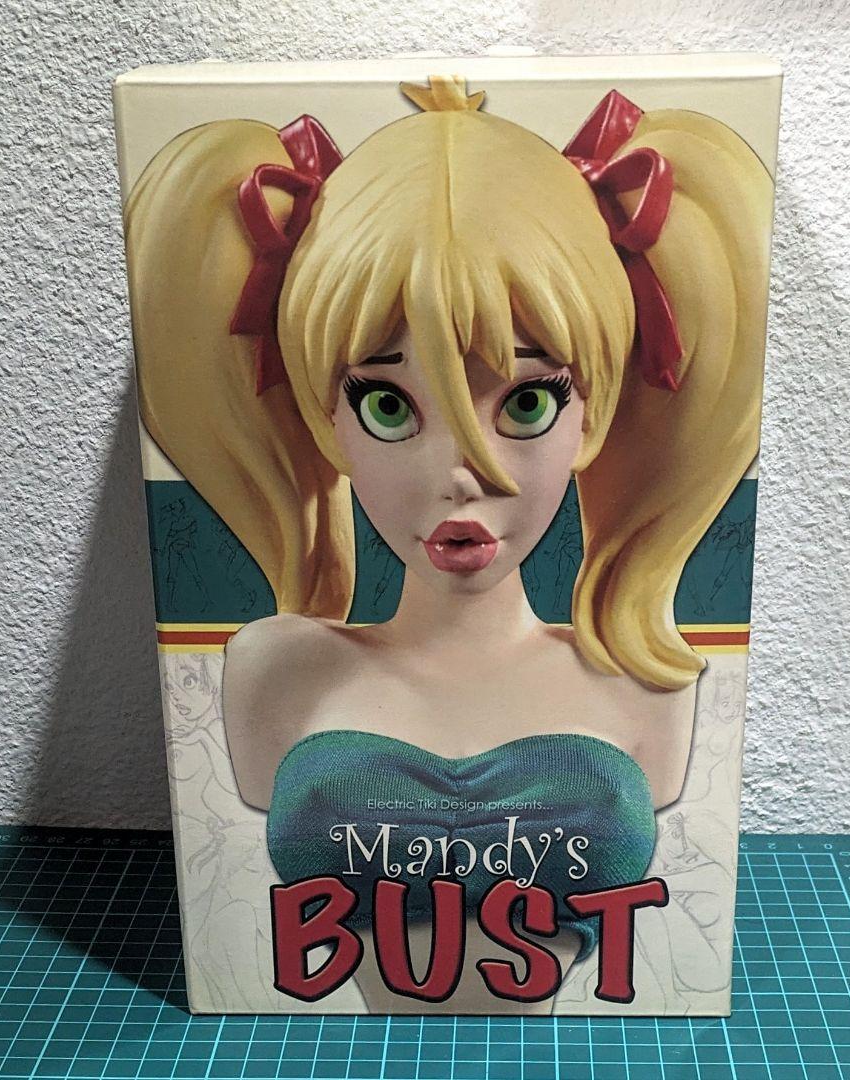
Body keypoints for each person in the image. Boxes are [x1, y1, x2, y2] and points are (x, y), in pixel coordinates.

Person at [124, 74, 773, 1013]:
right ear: (326, 420)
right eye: (388, 406)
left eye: (528, 401)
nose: (460, 474)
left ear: (591, 417)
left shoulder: (647, 682)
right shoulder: (276, 668)